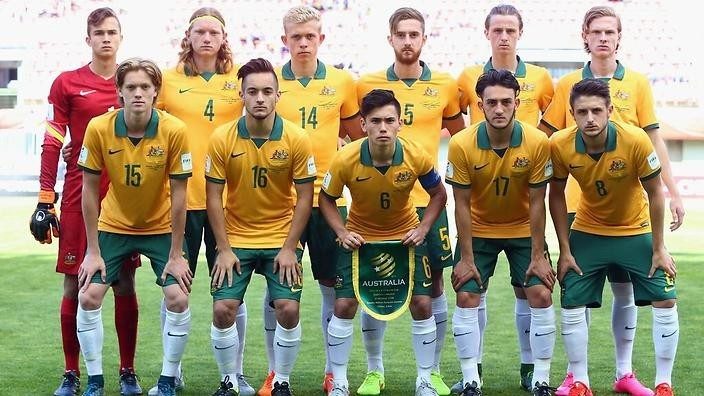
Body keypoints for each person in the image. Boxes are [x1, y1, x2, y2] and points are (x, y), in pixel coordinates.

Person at [539, 6, 684, 395]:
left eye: (610, 31)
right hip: (580, 208)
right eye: (596, 31)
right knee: (575, 295)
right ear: (584, 36)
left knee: (627, 292)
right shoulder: (568, 86)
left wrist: (673, 193)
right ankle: (577, 377)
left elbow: (653, 142)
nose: (603, 38)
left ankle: (627, 374)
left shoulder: (636, 87)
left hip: (630, 210)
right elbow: (545, 138)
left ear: (619, 37)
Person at [29, 8, 141, 396]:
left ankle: (128, 371)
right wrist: (47, 197)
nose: (106, 38)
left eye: (112, 32)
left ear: (121, 37)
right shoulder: (67, 83)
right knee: (74, 285)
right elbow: (52, 140)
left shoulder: (136, 83)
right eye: (99, 33)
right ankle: (72, 373)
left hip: (126, 194)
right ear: (88, 38)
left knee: (125, 279)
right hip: (79, 193)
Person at [253, 6, 363, 395]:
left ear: (321, 38)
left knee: (335, 288)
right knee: (277, 286)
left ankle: (335, 373)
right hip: (279, 204)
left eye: (310, 36)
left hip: (329, 202)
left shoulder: (342, 82)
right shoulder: (268, 84)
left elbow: (355, 138)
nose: (303, 43)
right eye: (295, 37)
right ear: (284, 40)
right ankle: (273, 371)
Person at [355, 8, 464, 395]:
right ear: (390, 39)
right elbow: (354, 138)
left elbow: (460, 135)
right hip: (378, 207)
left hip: (427, 202)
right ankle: (373, 370)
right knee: (374, 281)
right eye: (400, 34)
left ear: (424, 39)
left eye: (414, 34)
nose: (407, 41)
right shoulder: (366, 84)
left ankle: (430, 372)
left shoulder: (447, 86)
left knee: (434, 285)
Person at [76, 58, 193, 396]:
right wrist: (92, 251)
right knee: (89, 295)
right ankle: (96, 380)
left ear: (156, 92)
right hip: (113, 225)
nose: (138, 93)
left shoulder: (174, 130)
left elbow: (180, 196)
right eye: (131, 87)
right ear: (119, 92)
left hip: (159, 228)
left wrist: (176, 253)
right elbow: (89, 191)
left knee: (177, 297)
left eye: (145, 87)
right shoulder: (99, 127)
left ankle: (168, 380)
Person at [320, 88, 447, 396]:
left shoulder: (416, 154)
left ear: (399, 123)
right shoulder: (346, 159)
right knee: (344, 304)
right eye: (375, 121)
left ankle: (426, 380)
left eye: (390, 120)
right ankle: (340, 383)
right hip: (361, 241)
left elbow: (439, 194)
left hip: (405, 238)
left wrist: (423, 227)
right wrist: (341, 231)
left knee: (422, 303)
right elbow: (326, 198)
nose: (383, 128)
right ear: (362, 124)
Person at [153, 7, 253, 395]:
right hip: (178, 201)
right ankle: (171, 372)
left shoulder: (240, 79)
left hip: (229, 204)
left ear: (224, 38)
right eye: (200, 32)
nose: (207, 38)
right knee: (175, 289)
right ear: (188, 37)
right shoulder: (168, 80)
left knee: (231, 290)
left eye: (214, 32)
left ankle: (236, 372)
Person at [455, 5, 554, 390]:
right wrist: (464, 257)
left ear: (518, 102)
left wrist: (537, 254)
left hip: (520, 229)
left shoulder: (537, 142)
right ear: (479, 105)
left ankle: (538, 377)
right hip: (478, 228)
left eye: (506, 102)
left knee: (540, 292)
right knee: (466, 294)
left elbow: (537, 201)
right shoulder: (463, 144)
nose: (499, 109)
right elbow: (460, 204)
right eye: (491, 103)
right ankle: (470, 379)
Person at [205, 58, 315, 396]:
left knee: (288, 307)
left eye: (267, 91)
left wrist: (288, 248)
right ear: (241, 95)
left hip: (281, 236)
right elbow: (213, 197)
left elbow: (305, 197)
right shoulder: (222, 138)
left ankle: (281, 380)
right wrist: (223, 249)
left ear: (278, 95)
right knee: (223, 308)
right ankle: (229, 380)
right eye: (252, 91)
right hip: (236, 237)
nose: (260, 98)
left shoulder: (296, 138)